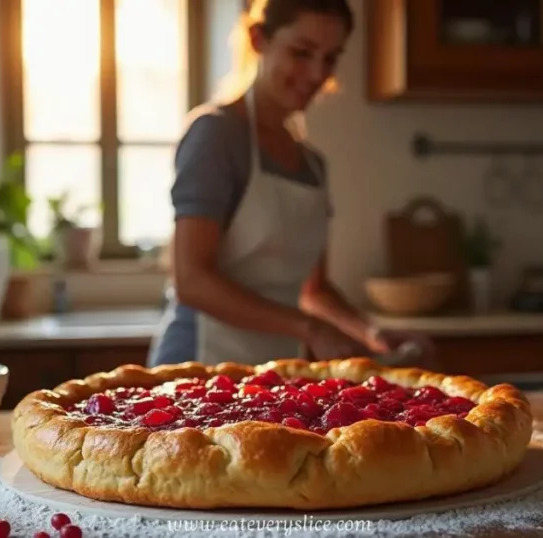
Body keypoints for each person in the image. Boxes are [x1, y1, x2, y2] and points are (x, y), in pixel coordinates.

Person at [147, 0, 435, 367]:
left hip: (273, 372)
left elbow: (314, 290)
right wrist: (310, 330)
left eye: (330, 58)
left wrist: (370, 332)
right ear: (258, 39)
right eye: (302, 52)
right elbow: (191, 279)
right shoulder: (216, 135)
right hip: (198, 365)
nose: (317, 74)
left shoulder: (312, 165)